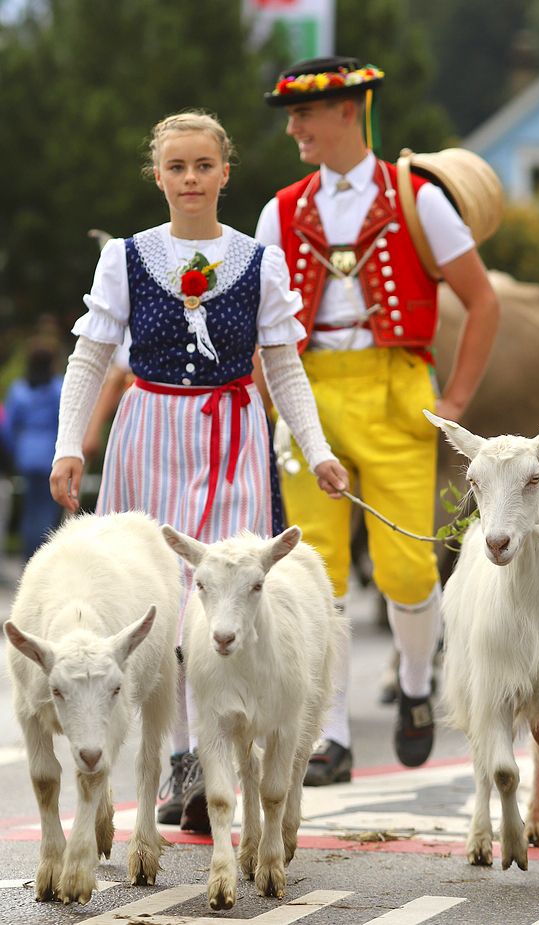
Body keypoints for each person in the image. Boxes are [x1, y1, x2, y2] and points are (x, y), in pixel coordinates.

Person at [50, 110, 349, 831]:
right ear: (158, 176)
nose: (190, 178)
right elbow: (91, 356)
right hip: (148, 431)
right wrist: (68, 443)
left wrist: (318, 451)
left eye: (203, 166)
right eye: (176, 167)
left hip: (232, 433)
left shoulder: (257, 259)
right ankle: (182, 760)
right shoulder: (124, 256)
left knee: (226, 600)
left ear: (224, 172)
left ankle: (228, 750)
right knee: (157, 601)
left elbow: (283, 364)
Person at [256, 56, 500, 784]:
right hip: (309, 390)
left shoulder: (416, 197)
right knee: (314, 569)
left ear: (348, 111)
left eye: (304, 113)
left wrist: (452, 403)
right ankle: (327, 732)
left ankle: (417, 686)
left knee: (404, 565)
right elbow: (266, 322)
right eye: (291, 115)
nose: (293, 126)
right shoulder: (279, 208)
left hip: (394, 386)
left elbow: (481, 301)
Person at [4, 337, 64, 561]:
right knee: (47, 512)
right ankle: (44, 561)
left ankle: (28, 560)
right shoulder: (58, 387)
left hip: (27, 455)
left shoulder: (19, 389)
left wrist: (16, 450)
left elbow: (8, 427)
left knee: (30, 511)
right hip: (51, 453)